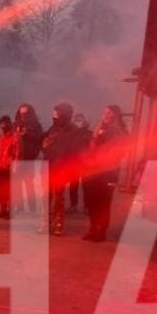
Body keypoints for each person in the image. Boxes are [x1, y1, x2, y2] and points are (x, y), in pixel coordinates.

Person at [81, 105, 129, 242]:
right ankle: (93, 228)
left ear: (115, 115)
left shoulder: (119, 131)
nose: (105, 115)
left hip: (108, 172)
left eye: (109, 112)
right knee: (92, 201)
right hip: (94, 170)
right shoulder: (99, 127)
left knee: (103, 202)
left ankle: (101, 231)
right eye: (104, 112)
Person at [40, 101, 82, 236]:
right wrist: (44, 145)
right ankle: (45, 222)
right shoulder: (53, 128)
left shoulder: (73, 131)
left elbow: (74, 151)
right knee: (46, 196)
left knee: (58, 197)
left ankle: (59, 223)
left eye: (56, 113)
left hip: (61, 168)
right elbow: (43, 142)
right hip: (48, 165)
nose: (54, 116)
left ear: (64, 114)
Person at [14, 103, 44, 215]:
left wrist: (27, 134)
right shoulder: (16, 124)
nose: (23, 115)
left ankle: (32, 207)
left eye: (25, 113)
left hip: (29, 158)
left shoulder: (36, 126)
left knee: (29, 184)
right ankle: (20, 207)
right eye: (21, 113)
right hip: (17, 158)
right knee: (17, 184)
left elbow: (39, 139)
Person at [0, 115, 19, 219]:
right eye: (1, 125)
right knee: (2, 188)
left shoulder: (15, 136)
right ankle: (3, 209)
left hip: (10, 166)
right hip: (2, 166)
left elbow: (18, 151)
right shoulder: (1, 137)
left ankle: (11, 210)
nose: (2, 126)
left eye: (3, 124)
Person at [67, 112, 91, 213]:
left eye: (80, 120)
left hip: (85, 163)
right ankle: (73, 205)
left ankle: (87, 206)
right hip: (74, 163)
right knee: (73, 185)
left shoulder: (89, 134)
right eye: (77, 120)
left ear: (85, 121)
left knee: (87, 186)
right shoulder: (70, 134)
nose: (78, 122)